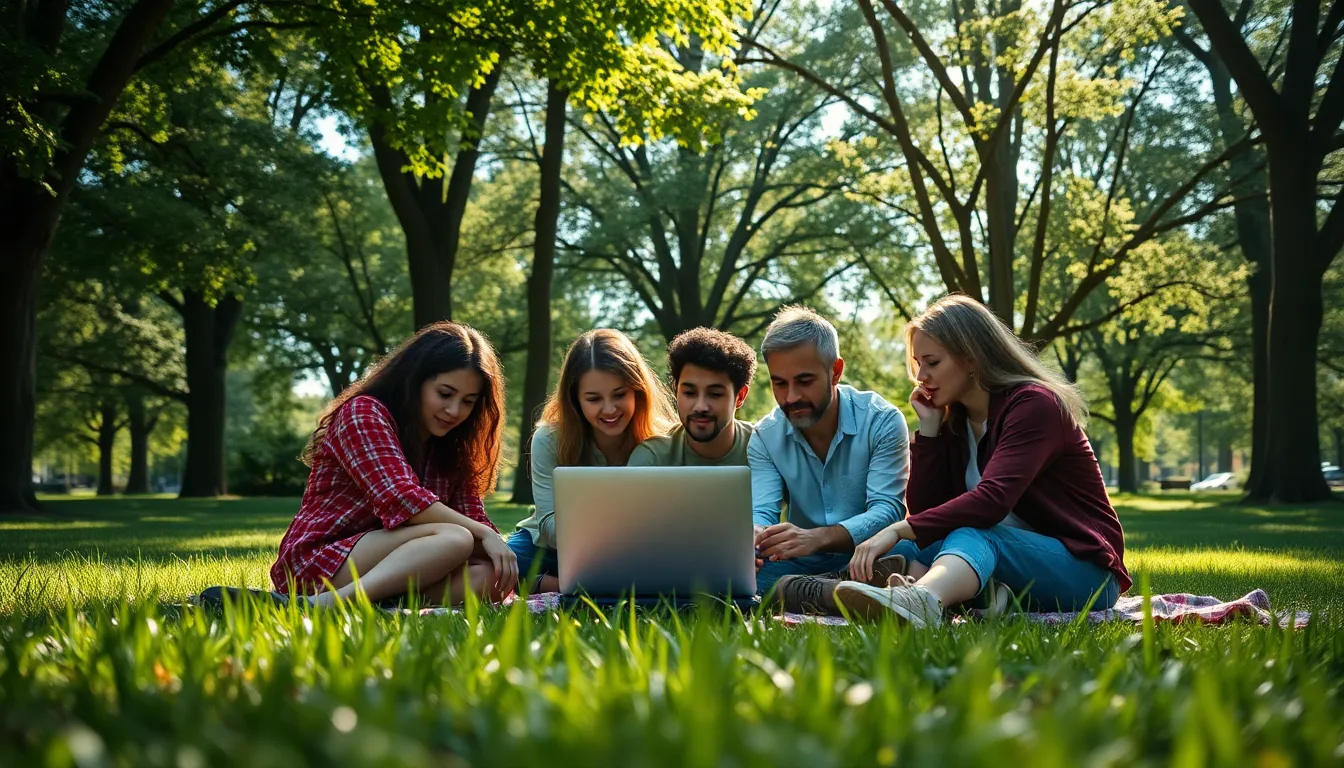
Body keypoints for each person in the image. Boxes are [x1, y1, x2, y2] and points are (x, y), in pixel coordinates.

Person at [835, 294, 1131, 627]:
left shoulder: (1034, 405)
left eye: (932, 363)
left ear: (972, 358)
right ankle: (833, 593)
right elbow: (927, 513)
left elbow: (991, 503)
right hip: (1013, 565)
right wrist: (930, 432)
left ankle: (921, 600)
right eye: (918, 364)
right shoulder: (956, 421)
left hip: (1086, 572)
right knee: (909, 553)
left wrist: (897, 529)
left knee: (974, 535)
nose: (921, 377)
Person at [266, 321, 517, 607]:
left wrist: (496, 547)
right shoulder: (363, 414)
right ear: (415, 380)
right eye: (445, 394)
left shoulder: (453, 445)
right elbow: (401, 500)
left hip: (406, 561)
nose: (454, 411)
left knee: (494, 576)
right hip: (321, 560)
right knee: (455, 538)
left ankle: (383, 602)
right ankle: (323, 605)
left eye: (468, 401)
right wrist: (484, 535)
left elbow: (471, 515)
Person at [747, 306, 911, 610]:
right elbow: (762, 513)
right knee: (733, 578)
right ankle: (847, 592)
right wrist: (755, 537)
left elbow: (889, 510)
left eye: (804, 381)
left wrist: (817, 538)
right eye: (779, 383)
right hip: (800, 564)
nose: (791, 397)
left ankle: (810, 592)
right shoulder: (764, 437)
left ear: (835, 371)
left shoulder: (882, 420)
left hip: (875, 555)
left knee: (922, 549)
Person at [508, 329, 678, 592]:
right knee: (504, 563)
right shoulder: (549, 438)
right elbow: (547, 524)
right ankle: (565, 584)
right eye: (594, 399)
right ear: (574, 399)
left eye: (619, 395)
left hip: (633, 548)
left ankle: (567, 584)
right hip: (551, 546)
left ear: (638, 391)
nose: (609, 409)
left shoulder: (665, 439)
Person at [628, 327, 757, 468]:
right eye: (689, 393)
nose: (700, 406)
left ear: (740, 396)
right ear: (676, 389)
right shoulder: (652, 458)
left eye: (715, 394)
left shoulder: (765, 450)